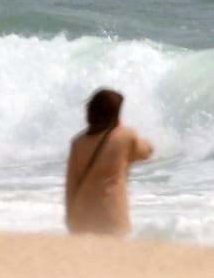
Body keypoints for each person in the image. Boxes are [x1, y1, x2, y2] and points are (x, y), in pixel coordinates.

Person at [64, 88, 153, 237]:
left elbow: (71, 184)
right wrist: (121, 127)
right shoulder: (126, 135)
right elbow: (146, 152)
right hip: (112, 215)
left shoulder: (78, 142)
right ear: (115, 114)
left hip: (83, 215)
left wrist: (70, 218)